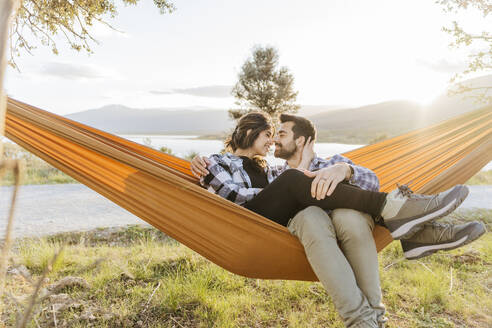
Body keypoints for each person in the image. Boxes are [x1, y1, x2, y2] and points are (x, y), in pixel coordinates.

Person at [190, 112, 485, 328]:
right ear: (249, 133)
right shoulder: (217, 163)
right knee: (306, 196)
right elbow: (234, 195)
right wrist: (292, 184)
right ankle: (405, 219)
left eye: (278, 135)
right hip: (253, 222)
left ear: (302, 141)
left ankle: (406, 237)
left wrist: (343, 169)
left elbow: (365, 178)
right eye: (270, 135)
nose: (272, 142)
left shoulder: (276, 170)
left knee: (328, 208)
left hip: (327, 219)